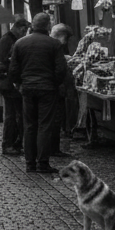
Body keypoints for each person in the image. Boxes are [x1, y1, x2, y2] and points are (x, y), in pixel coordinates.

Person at [9, 12, 68, 174]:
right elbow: (61, 69)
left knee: (29, 125)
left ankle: (30, 163)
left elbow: (13, 69)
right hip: (47, 89)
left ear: (33, 26)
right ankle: (42, 162)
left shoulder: (20, 43)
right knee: (44, 125)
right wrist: (54, 83)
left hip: (28, 88)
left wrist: (19, 83)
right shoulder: (54, 44)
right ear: (48, 25)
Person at [0, 18, 29, 157]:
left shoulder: (9, 39)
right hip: (8, 82)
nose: (25, 33)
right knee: (12, 114)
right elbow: (5, 60)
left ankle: (14, 143)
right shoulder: (7, 39)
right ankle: (8, 144)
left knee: (15, 114)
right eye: (25, 30)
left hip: (9, 81)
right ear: (20, 28)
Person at [50, 23, 77, 156]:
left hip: (50, 86)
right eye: (67, 37)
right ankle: (53, 149)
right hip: (56, 87)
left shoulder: (52, 45)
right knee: (55, 118)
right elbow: (59, 68)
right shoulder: (56, 46)